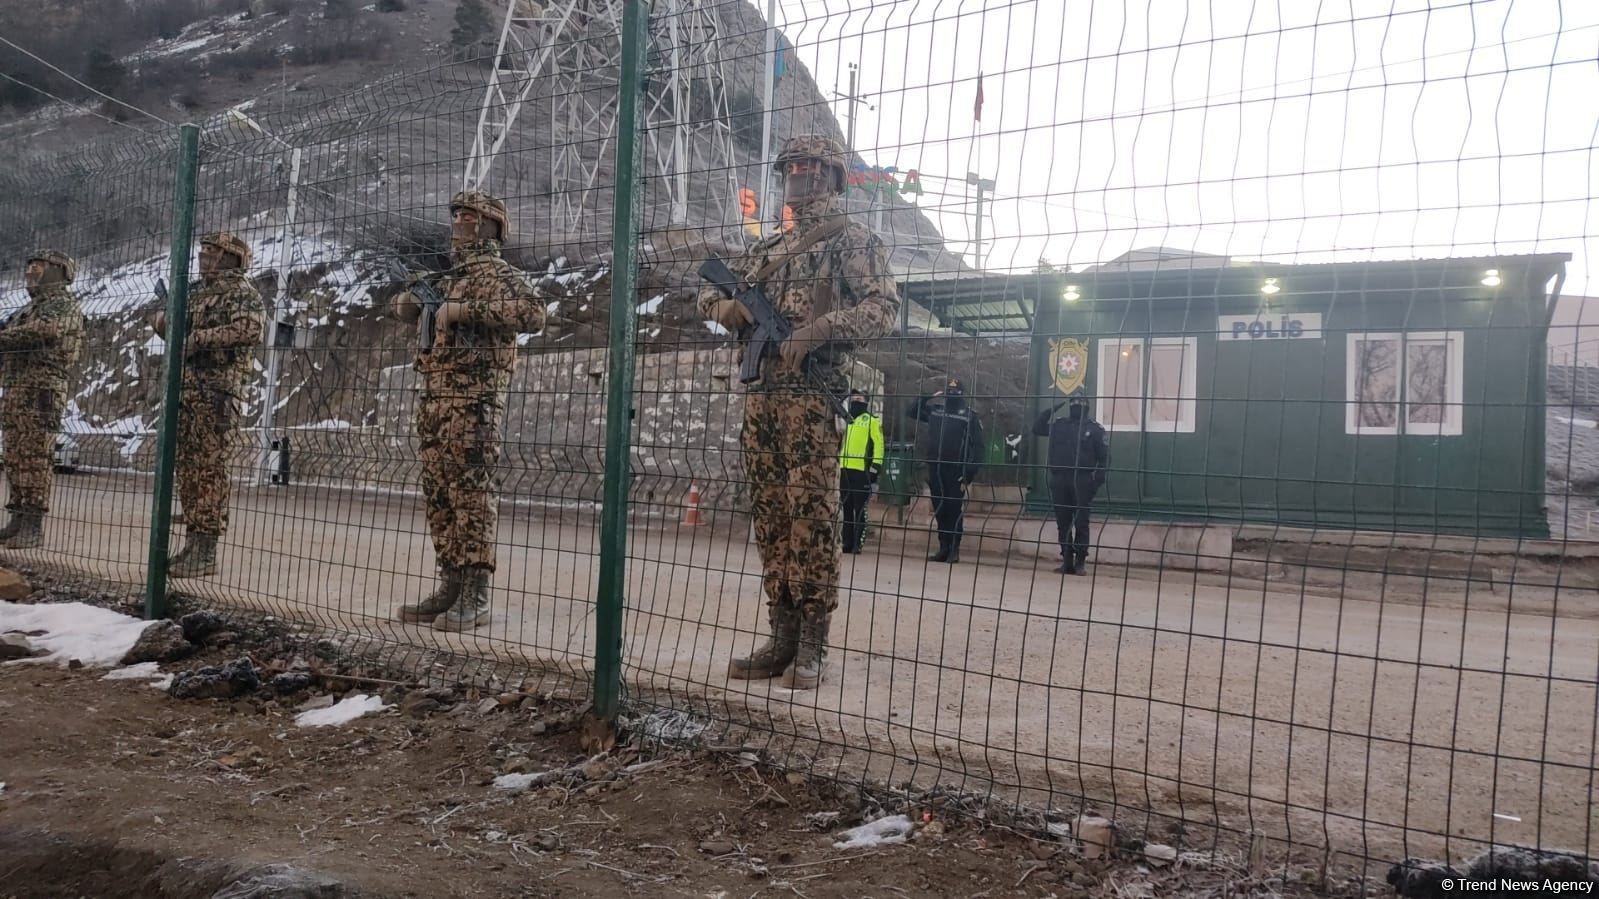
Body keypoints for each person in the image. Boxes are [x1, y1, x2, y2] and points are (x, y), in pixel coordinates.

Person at [699, 134, 899, 690]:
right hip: (762, 401)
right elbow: (708, 295)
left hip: (812, 399)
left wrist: (819, 331)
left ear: (833, 176)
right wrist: (732, 309)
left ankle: (813, 642)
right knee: (770, 518)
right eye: (791, 167)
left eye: (811, 167)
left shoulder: (853, 242)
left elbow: (883, 308)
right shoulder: (767, 250)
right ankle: (781, 635)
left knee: (812, 520)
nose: (800, 176)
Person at [394, 189, 546, 631]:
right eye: (456, 213)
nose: (458, 220)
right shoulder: (446, 278)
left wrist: (464, 311)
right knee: (440, 495)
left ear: (490, 226)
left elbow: (532, 312)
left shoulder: (498, 275)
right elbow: (405, 309)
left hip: (475, 401)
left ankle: (476, 589)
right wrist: (410, 303)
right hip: (436, 399)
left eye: (468, 215)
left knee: (471, 493)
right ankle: (451, 581)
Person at [152, 232, 265, 578]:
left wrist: (198, 339)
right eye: (202, 250)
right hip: (187, 392)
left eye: (213, 251)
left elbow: (249, 330)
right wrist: (164, 321)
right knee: (188, 470)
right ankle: (193, 543)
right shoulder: (195, 294)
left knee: (210, 471)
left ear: (232, 257)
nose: (204, 256)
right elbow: (174, 331)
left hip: (218, 393)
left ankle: (206, 550)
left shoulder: (242, 293)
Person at [0, 250, 84, 549]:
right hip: (18, 390)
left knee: (35, 456)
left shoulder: (61, 305)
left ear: (57, 271)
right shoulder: (29, 308)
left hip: (41, 391)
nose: (30, 271)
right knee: (15, 456)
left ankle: (33, 524)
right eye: (29, 265)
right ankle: (18, 517)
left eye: (38, 266)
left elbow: (42, 332)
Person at [908, 377, 984, 563]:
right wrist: (926, 397)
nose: (952, 396)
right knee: (940, 509)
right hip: (935, 468)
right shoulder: (937, 412)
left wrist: (968, 475)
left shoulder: (969, 416)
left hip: (955, 471)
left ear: (962, 394)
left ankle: (954, 549)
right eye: (949, 393)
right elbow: (911, 411)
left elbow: (979, 448)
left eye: (955, 393)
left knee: (953, 510)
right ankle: (943, 547)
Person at [1033, 388, 1107, 574]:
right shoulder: (1059, 425)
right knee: (1063, 521)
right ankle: (1067, 559)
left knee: (1081, 521)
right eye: (1073, 403)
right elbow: (1037, 428)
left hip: (1082, 480)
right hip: (1060, 479)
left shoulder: (1094, 429)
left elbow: (1104, 459)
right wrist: (1050, 410)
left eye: (1080, 404)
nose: (1076, 406)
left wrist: (1095, 482)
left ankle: (1080, 561)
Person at [838, 388, 883, 554]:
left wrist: (874, 469)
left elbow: (879, 446)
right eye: (854, 397)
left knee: (860, 509)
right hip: (845, 469)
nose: (855, 400)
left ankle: (858, 543)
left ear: (866, 401)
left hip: (861, 471)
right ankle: (846, 542)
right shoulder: (846, 419)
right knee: (846, 508)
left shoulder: (871, 420)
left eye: (859, 397)